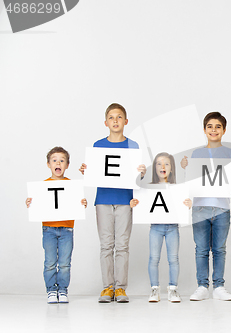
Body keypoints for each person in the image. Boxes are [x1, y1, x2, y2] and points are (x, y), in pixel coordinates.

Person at [80, 103, 146, 303]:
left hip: (125, 200)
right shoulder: (98, 145)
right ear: (105, 122)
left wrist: (142, 172)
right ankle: (107, 287)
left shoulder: (133, 146)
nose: (115, 120)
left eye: (119, 117)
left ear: (126, 121)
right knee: (106, 245)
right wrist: (86, 170)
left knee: (123, 245)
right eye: (111, 117)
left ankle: (121, 288)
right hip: (103, 200)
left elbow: (138, 179)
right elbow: (95, 171)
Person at [181, 112, 231, 301]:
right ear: (204, 130)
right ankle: (202, 285)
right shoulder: (197, 154)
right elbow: (191, 180)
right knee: (201, 249)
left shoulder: (230, 153)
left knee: (219, 249)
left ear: (224, 130)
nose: (214, 130)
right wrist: (186, 167)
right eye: (210, 126)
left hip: (222, 208)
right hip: (200, 207)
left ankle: (219, 285)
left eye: (218, 126)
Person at [26, 146, 87, 304]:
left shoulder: (72, 185)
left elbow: (76, 203)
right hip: (48, 229)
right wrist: (31, 203)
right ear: (48, 164)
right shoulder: (42, 186)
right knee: (50, 262)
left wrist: (82, 203)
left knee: (65, 263)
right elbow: (37, 204)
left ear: (67, 165)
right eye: (54, 160)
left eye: (62, 160)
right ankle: (51, 290)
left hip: (67, 229)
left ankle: (63, 290)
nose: (58, 163)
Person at [130, 152, 192, 303]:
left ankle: (173, 289)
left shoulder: (177, 188)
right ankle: (154, 289)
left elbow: (183, 202)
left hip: (172, 228)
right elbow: (139, 196)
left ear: (172, 168)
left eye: (166, 164)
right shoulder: (148, 188)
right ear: (154, 168)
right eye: (158, 163)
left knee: (173, 259)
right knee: (153, 258)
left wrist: (188, 204)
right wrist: (134, 204)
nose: (162, 166)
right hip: (156, 228)